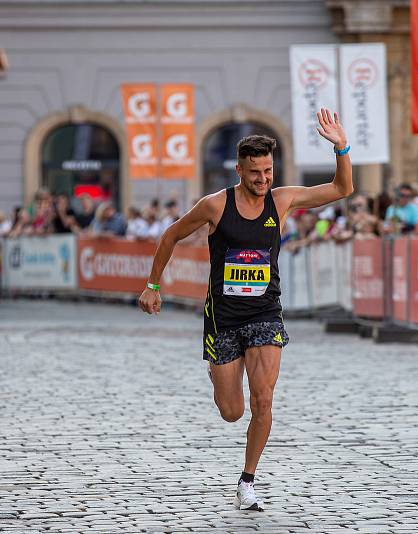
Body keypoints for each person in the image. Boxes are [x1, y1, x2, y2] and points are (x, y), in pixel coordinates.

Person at [138, 109, 352, 511]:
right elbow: (170, 235)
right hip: (224, 317)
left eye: (268, 171)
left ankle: (247, 481)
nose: (263, 179)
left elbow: (342, 188)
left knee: (264, 400)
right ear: (240, 170)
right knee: (232, 411)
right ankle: (220, 378)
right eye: (255, 173)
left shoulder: (282, 199)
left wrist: (340, 146)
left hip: (265, 314)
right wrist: (153, 285)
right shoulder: (214, 206)